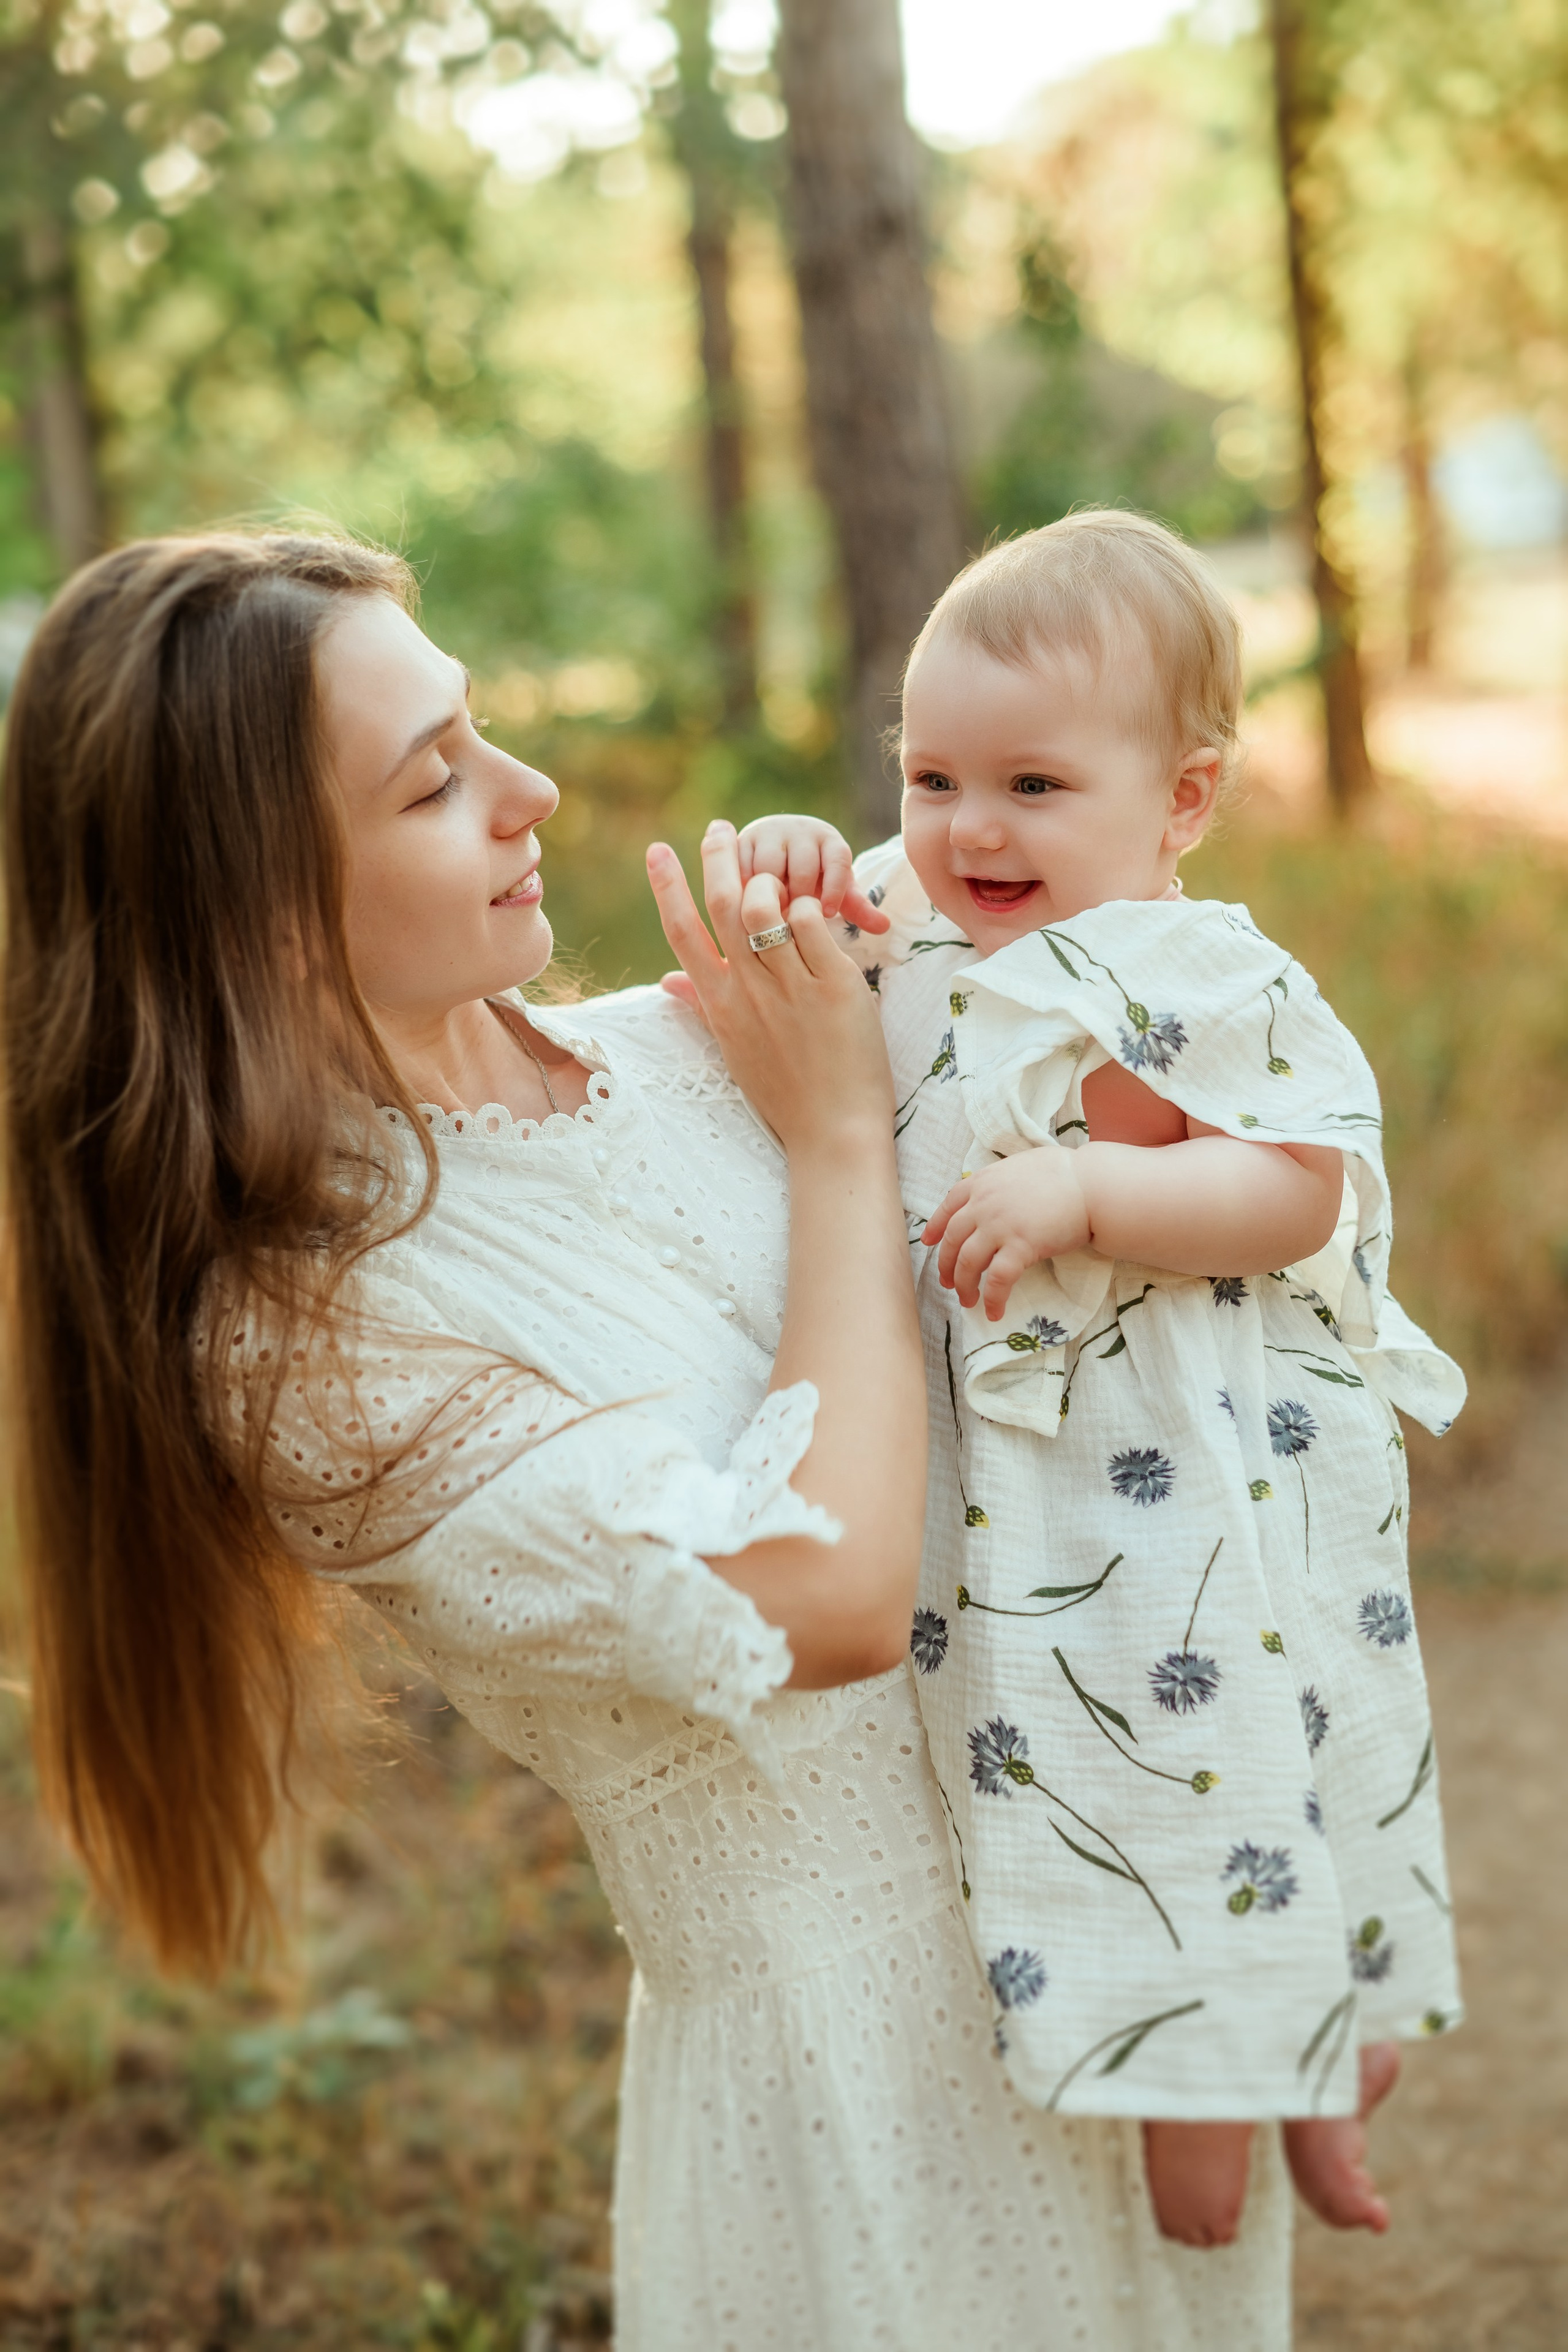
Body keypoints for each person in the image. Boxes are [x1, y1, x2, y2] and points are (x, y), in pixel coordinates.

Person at [4, 529, 1294, 2350]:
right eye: (440, 781)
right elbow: (825, 1606)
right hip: (852, 2097)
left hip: (1105, 1945)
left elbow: (1099, 933)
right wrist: (844, 1140)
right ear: (267, 906)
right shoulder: (309, 1349)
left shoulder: (688, 1048)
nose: (530, 795)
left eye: (484, 733)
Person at [728, 510, 1464, 2253]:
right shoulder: (910, 921)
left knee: (1245, 1774)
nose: (970, 826)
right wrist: (781, 854)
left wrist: (1095, 1193)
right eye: (930, 775)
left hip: (1208, 1481)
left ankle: (1307, 2090)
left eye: (1035, 787)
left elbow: (1301, 1191)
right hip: (1020, 1502)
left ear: (1182, 802)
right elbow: (779, 954)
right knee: (1074, 1785)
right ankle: (1206, 2109)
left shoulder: (1208, 976)